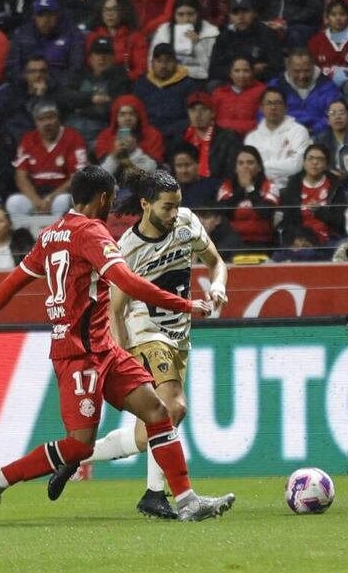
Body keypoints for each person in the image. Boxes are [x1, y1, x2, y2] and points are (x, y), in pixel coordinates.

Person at [0, 165, 234, 525]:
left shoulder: (51, 235)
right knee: (78, 446)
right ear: (105, 198)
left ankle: (186, 500)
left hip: (104, 349)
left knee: (158, 412)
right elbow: (128, 282)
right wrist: (185, 304)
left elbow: (14, 280)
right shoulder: (92, 232)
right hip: (78, 355)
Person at [47, 168, 229, 518]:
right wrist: (124, 355)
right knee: (174, 407)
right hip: (144, 332)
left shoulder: (187, 223)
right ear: (146, 205)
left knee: (147, 435)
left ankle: (77, 457)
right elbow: (116, 309)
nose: (174, 213)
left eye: (177, 206)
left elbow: (216, 262)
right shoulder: (126, 248)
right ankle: (154, 494)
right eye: (166, 207)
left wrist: (218, 285)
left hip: (180, 334)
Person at [7, 100, 88, 217]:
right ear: (35, 122)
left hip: (62, 192)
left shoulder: (73, 137)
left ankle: (58, 235)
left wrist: (51, 198)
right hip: (36, 194)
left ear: (58, 118)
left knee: (62, 202)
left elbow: (77, 176)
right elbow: (21, 177)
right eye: (41, 119)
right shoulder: (28, 139)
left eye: (50, 117)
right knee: (14, 202)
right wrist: (37, 201)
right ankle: (26, 235)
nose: (46, 123)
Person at [275, 143, 347, 261]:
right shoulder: (292, 187)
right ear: (304, 162)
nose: (314, 163)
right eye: (310, 158)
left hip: (328, 241)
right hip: (299, 239)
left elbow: (339, 222)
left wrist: (320, 212)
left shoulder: (336, 187)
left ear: (326, 164)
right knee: (277, 256)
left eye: (320, 159)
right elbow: (287, 220)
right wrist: (300, 237)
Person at [61, 36, 131, 148]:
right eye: (98, 53)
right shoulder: (79, 76)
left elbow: (111, 111)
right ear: (90, 58)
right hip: (71, 135)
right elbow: (65, 98)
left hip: (100, 138)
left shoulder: (120, 80)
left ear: (113, 58)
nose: (102, 58)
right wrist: (92, 99)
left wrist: (80, 108)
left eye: (106, 54)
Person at [134, 43, 200, 149]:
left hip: (175, 135)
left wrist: (167, 130)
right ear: (152, 63)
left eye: (168, 61)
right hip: (147, 134)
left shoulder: (187, 84)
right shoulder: (142, 83)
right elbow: (136, 113)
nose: (163, 66)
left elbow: (191, 117)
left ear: (175, 62)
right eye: (159, 61)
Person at [209, 0, 284, 84]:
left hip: (260, 82)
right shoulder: (224, 37)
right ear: (230, 16)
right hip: (231, 84)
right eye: (235, 12)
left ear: (254, 13)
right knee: (213, 84)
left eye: (245, 11)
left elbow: (278, 66)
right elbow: (213, 70)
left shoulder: (267, 34)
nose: (241, 17)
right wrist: (235, 72)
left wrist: (262, 70)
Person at [244, 87, 311, 191]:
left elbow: (296, 166)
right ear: (261, 107)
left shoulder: (299, 131)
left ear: (285, 107)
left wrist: (260, 167)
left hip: (289, 189)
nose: (273, 107)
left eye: (277, 103)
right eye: (269, 103)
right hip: (259, 190)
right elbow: (247, 170)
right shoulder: (252, 138)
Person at [6, 0, 86, 84]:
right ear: (34, 16)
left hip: (60, 91)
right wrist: (28, 83)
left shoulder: (73, 35)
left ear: (58, 15)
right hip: (26, 89)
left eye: (50, 14)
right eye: (40, 15)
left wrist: (49, 86)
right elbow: (12, 68)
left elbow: (76, 70)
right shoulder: (22, 35)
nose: (45, 20)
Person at [216, 145, 280, 251]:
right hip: (231, 241)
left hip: (262, 241)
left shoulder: (269, 186)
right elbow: (224, 212)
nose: (245, 167)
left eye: (250, 163)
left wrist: (250, 189)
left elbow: (266, 213)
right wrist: (241, 190)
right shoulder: (226, 187)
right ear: (235, 168)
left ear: (259, 167)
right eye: (241, 163)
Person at [268, 47, 340, 137]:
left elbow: (336, 112)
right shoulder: (276, 86)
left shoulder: (327, 85)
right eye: (297, 71)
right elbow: (264, 115)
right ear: (288, 68)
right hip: (284, 136)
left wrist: (315, 129)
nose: (302, 76)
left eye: (306, 70)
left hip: (320, 136)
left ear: (313, 67)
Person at [149, 0, 219, 82]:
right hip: (169, 77)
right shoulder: (164, 31)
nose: (186, 19)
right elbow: (153, 60)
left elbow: (210, 68)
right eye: (180, 15)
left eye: (190, 14)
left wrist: (198, 45)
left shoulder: (210, 33)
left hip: (198, 79)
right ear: (174, 15)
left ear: (198, 14)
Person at [95, 95, 164, 180]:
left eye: (132, 114)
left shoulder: (152, 135)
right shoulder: (105, 136)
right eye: (122, 114)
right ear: (116, 117)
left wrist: (134, 151)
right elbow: (103, 175)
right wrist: (115, 156)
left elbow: (152, 170)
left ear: (138, 116)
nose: (127, 118)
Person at [85, 0, 149, 82]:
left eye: (114, 10)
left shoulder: (135, 37)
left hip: (126, 84)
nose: (109, 14)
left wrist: (124, 80)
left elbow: (141, 68)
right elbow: (88, 63)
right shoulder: (93, 37)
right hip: (97, 82)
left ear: (123, 12)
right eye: (106, 10)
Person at [181, 91, 240, 182]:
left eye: (203, 110)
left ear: (212, 113)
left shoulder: (228, 138)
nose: (198, 115)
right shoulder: (181, 138)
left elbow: (230, 172)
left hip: (216, 187)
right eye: (193, 110)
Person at [307, 0, 348, 82]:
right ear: (327, 17)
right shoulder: (316, 40)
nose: (338, 18)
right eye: (333, 15)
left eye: (342, 14)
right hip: (324, 83)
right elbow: (312, 65)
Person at [211, 56, 266, 137]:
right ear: (230, 74)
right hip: (221, 138)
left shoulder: (262, 91)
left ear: (252, 73)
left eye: (246, 71)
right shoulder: (219, 92)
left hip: (251, 136)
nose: (241, 75)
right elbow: (211, 118)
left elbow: (263, 119)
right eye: (237, 71)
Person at [314, 98, 348, 175]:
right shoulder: (319, 141)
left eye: (342, 113)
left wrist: (344, 175)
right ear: (327, 120)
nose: (337, 117)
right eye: (332, 113)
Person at [169, 142, 220, 208]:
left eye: (188, 165)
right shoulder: (168, 191)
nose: (184, 171)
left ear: (198, 163)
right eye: (179, 166)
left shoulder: (213, 187)